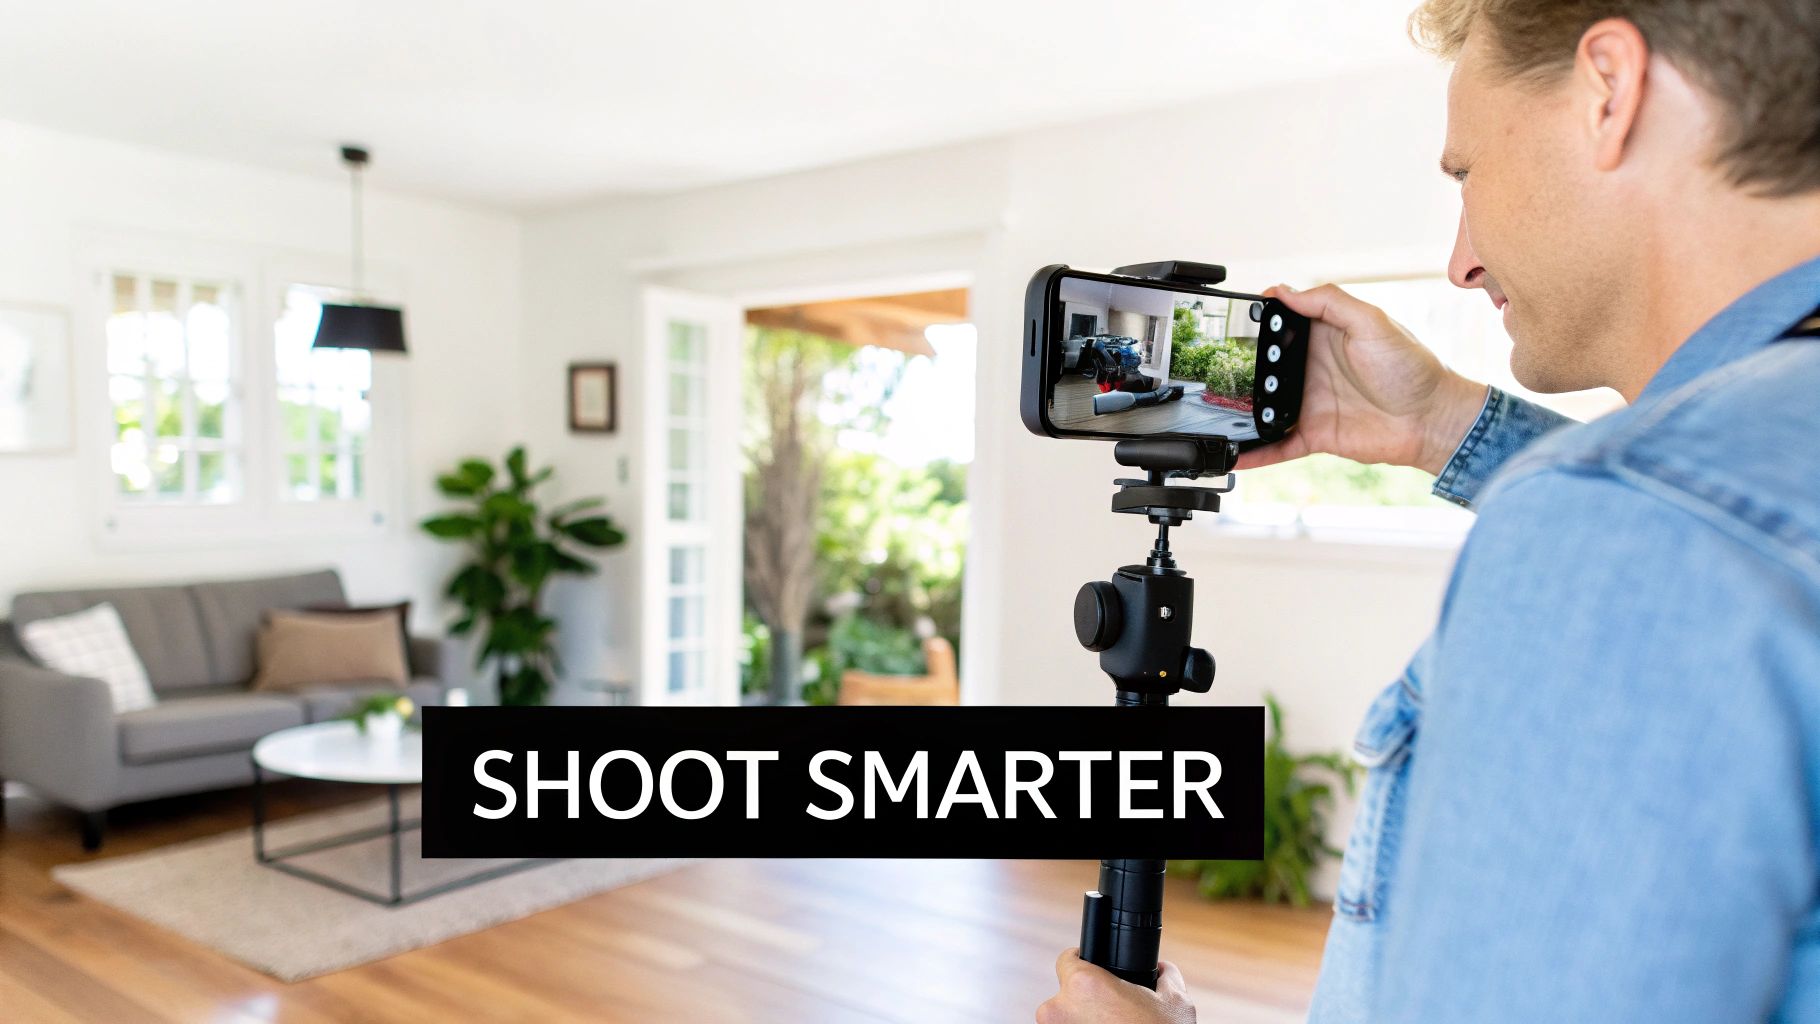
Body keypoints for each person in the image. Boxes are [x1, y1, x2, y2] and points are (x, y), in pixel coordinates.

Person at [1037, 0, 1820, 1020]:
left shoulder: (1618, 530)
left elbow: (1667, 531)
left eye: (1466, 173)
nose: (1461, 260)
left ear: (1608, 91)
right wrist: (1440, 424)